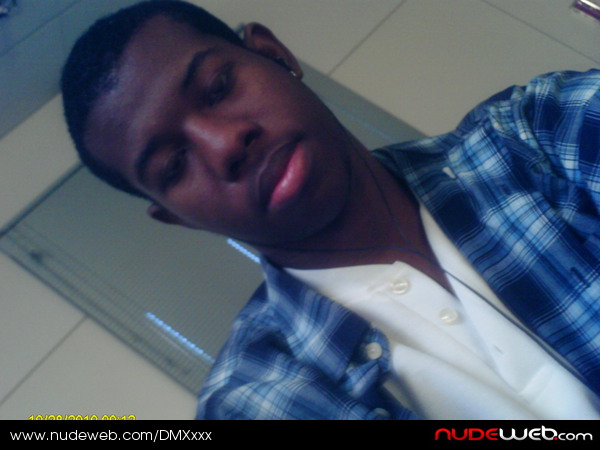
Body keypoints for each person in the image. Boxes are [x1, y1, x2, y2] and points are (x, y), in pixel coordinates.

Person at [61, 0, 600, 419]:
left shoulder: (535, 133)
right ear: (177, 218)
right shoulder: (253, 401)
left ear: (275, 55)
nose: (224, 144)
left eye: (219, 87)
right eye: (174, 166)